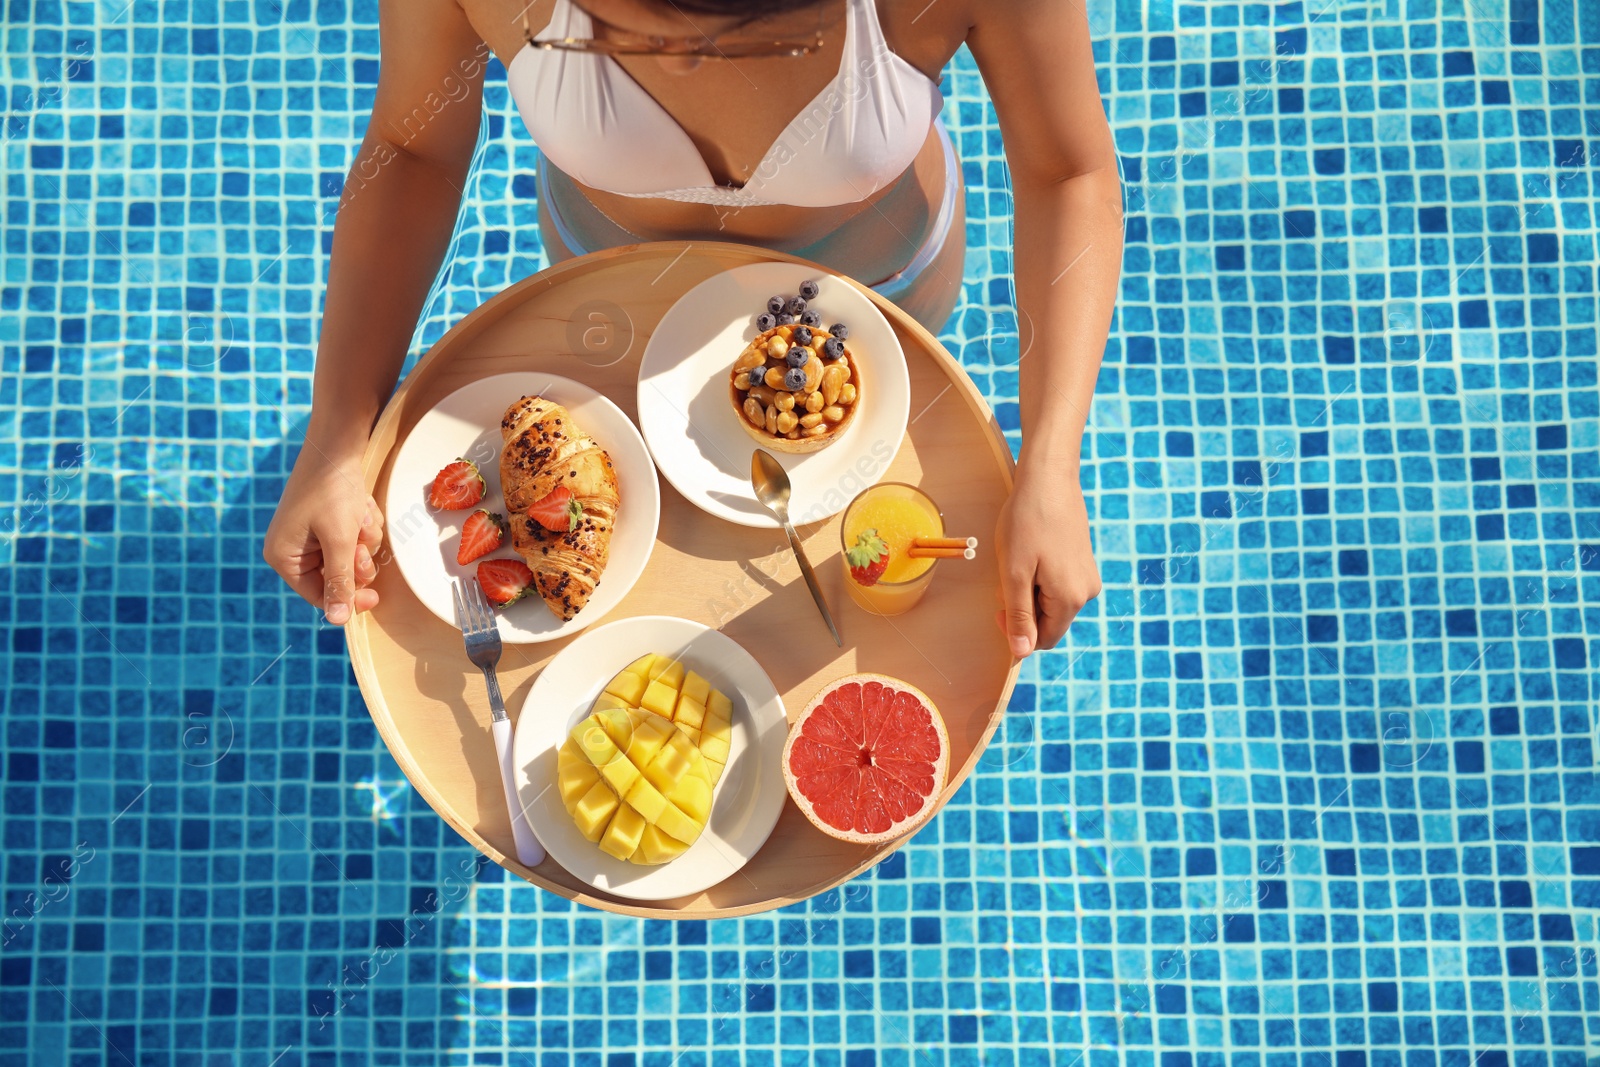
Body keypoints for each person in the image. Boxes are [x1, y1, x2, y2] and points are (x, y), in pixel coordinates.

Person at [264, 0, 1121, 659]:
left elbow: (1066, 168)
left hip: (882, 290)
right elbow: (411, 151)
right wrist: (337, 438)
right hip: (610, 303)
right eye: (610, 35)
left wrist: (1051, 464)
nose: (672, 60)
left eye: (733, 43)